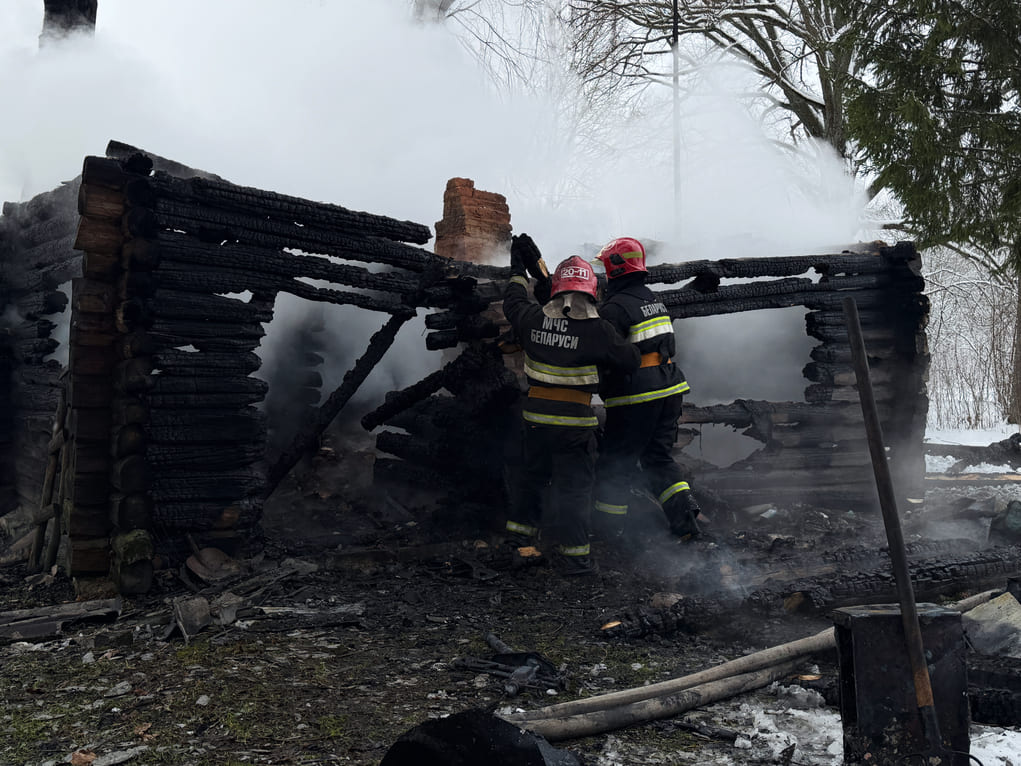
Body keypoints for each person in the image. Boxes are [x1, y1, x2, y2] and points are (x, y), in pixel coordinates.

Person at [502, 235, 640, 575]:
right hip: (574, 428)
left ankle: (517, 542)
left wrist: (518, 269)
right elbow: (631, 360)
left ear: (556, 291)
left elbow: (513, 300)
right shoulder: (599, 330)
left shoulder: (531, 319)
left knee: (530, 480)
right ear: (591, 292)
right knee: (574, 491)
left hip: (535, 421)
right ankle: (575, 558)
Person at [592, 236, 703, 540]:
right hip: (669, 390)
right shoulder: (652, 300)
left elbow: (607, 357)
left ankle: (608, 531)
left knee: (616, 463)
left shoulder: (615, 308)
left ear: (615, 269)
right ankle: (686, 524)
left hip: (637, 396)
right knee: (658, 458)